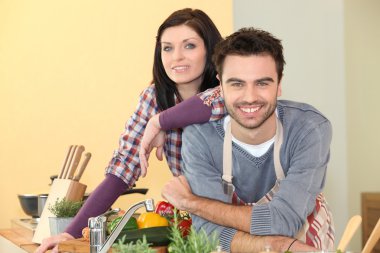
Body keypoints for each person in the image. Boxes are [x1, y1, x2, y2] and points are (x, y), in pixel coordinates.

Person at [35, 8, 222, 253]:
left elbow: (212, 103)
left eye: (189, 46)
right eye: (167, 48)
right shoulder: (154, 97)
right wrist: (71, 233)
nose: (176, 57)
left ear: (210, 49)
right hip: (201, 223)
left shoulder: (231, 87)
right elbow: (123, 169)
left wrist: (160, 122)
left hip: (247, 216)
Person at [140, 27, 335, 252]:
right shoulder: (199, 138)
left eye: (262, 83)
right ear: (219, 87)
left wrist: (192, 203)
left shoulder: (308, 129)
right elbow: (206, 233)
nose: (250, 97)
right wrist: (272, 244)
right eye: (237, 84)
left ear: (279, 84)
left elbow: (286, 220)